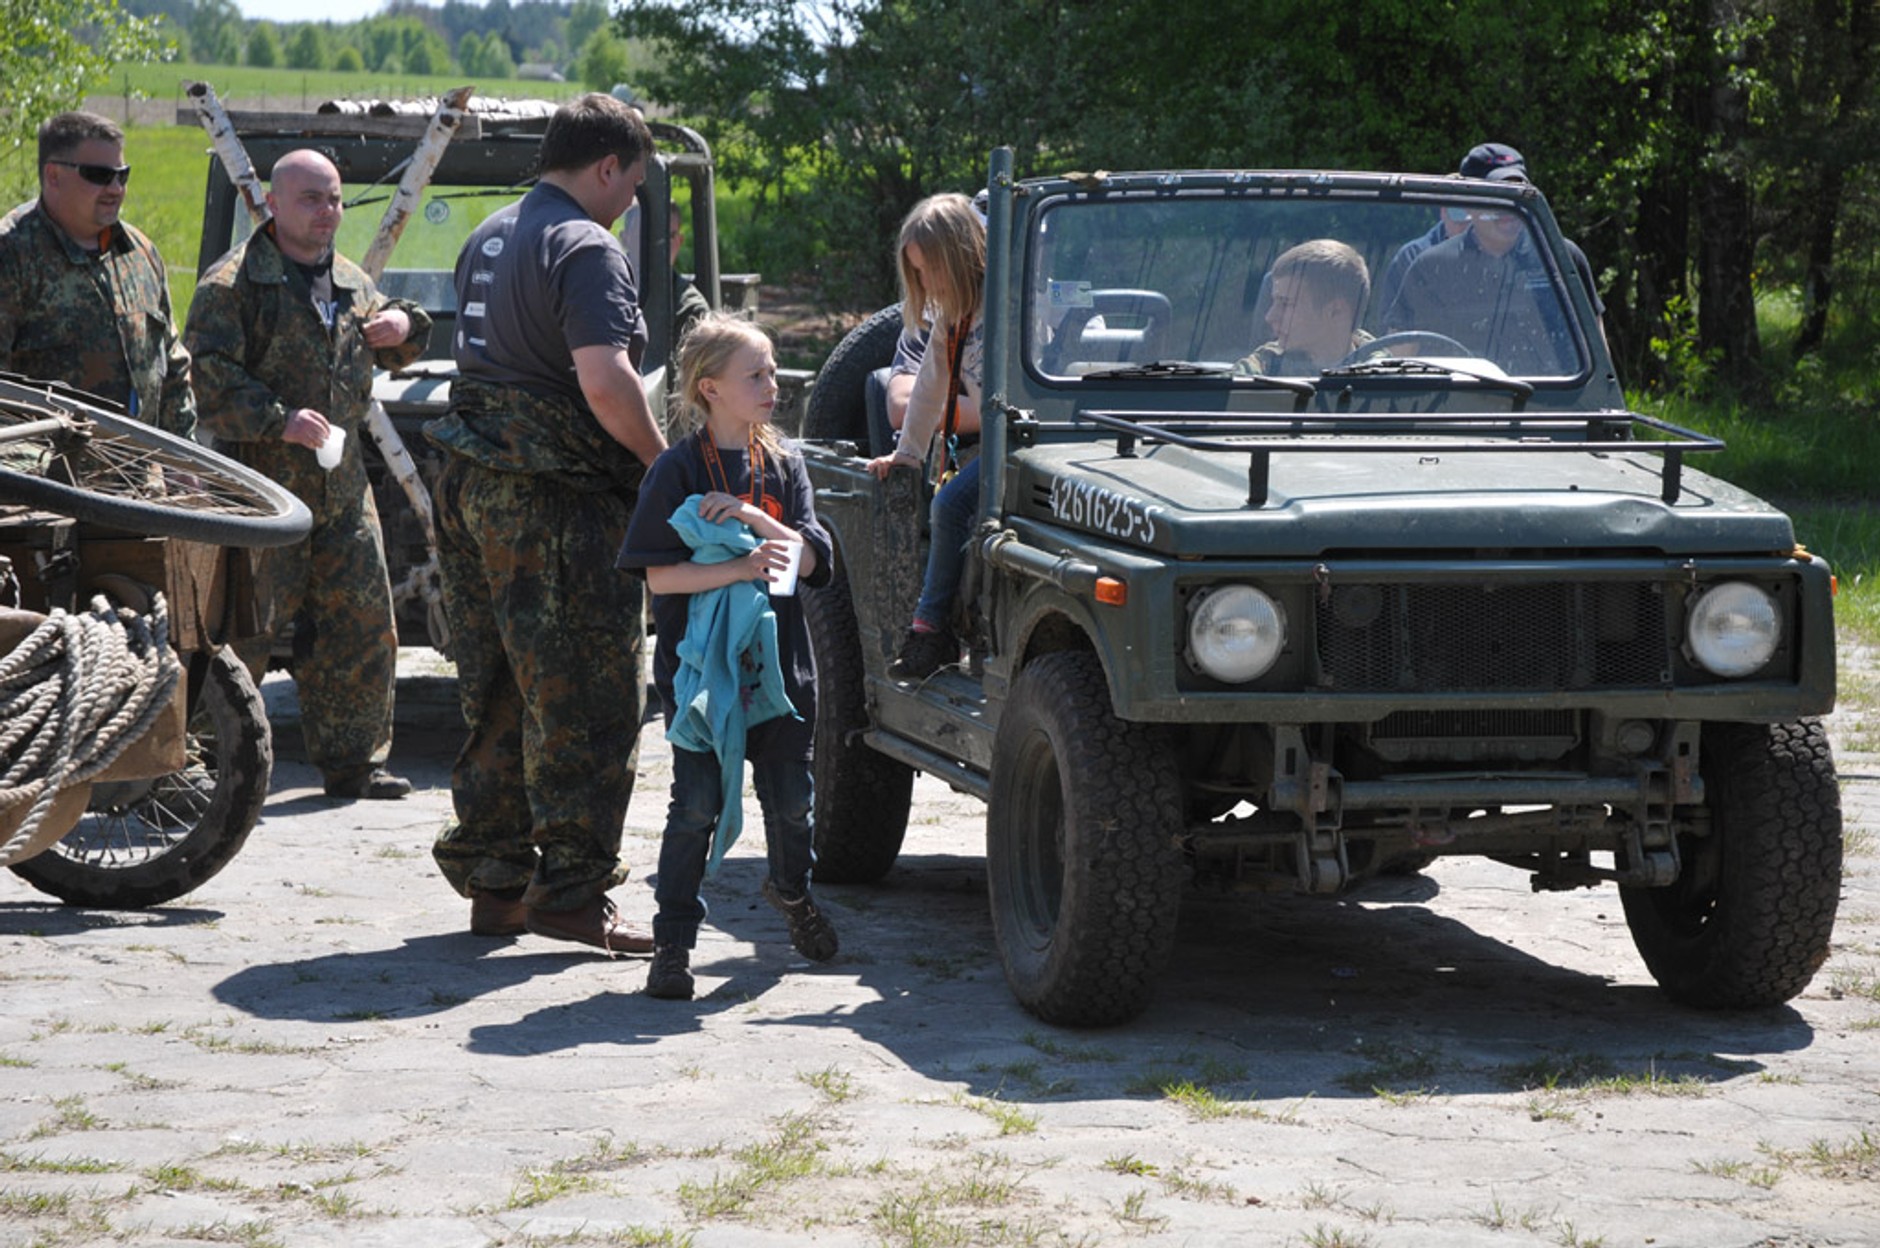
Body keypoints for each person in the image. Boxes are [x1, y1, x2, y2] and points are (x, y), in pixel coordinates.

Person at [424, 93, 668, 951]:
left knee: (496, 690)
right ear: (606, 167)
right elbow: (605, 380)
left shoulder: (490, 235)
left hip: (472, 485)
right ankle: (570, 893)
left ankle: (496, 883)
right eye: (632, 183)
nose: (630, 202)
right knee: (587, 698)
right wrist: (662, 466)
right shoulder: (587, 246)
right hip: (554, 500)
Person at [186, 150, 432, 801]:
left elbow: (393, 343)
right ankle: (205, 765)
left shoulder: (349, 280)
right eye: (311, 199)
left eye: (335, 199)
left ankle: (354, 762)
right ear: (273, 204)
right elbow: (206, 380)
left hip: (342, 491)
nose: (327, 212)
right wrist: (278, 419)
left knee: (361, 625)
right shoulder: (232, 285)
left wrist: (406, 325)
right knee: (244, 628)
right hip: (262, 492)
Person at [615, 315, 838, 1000]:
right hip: (702, 679)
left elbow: (807, 562)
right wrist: (739, 567)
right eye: (755, 375)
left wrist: (751, 518)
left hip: (780, 675)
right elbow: (661, 578)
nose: (772, 385)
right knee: (695, 808)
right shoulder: (676, 469)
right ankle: (673, 946)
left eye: (772, 372)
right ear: (709, 388)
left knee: (792, 805)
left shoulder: (785, 464)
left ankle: (792, 893)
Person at [0, 111, 195, 438]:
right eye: (99, 175)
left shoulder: (140, 254)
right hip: (45, 466)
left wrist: (185, 456)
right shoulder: (12, 254)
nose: (115, 188)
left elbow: (173, 367)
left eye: (122, 175)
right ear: (53, 176)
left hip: (138, 466)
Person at [865, 193, 986, 681]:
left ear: (961, 255)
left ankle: (932, 629)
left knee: (950, 506)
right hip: (995, 444)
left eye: (931, 269)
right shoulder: (951, 314)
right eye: (918, 273)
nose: (927, 283)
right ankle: (941, 627)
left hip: (1030, 441)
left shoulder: (1011, 301)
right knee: (946, 501)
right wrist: (907, 455)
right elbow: (929, 388)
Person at [1380, 165, 1576, 374]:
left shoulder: (1561, 258)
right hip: (1455, 391)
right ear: (1471, 209)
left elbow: (1592, 338)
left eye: (1516, 201)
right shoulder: (1430, 265)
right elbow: (1401, 355)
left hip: (1548, 390)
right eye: (1496, 201)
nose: (1507, 211)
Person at [1235, 239, 1373, 375]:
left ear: (1336, 311)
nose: (1270, 317)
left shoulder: (1381, 375)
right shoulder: (1267, 366)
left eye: (1286, 303)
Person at [669, 203, 710, 352]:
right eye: (646, 234)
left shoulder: (690, 308)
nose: (658, 244)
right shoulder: (608, 288)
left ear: (679, 242)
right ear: (625, 237)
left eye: (669, 236)